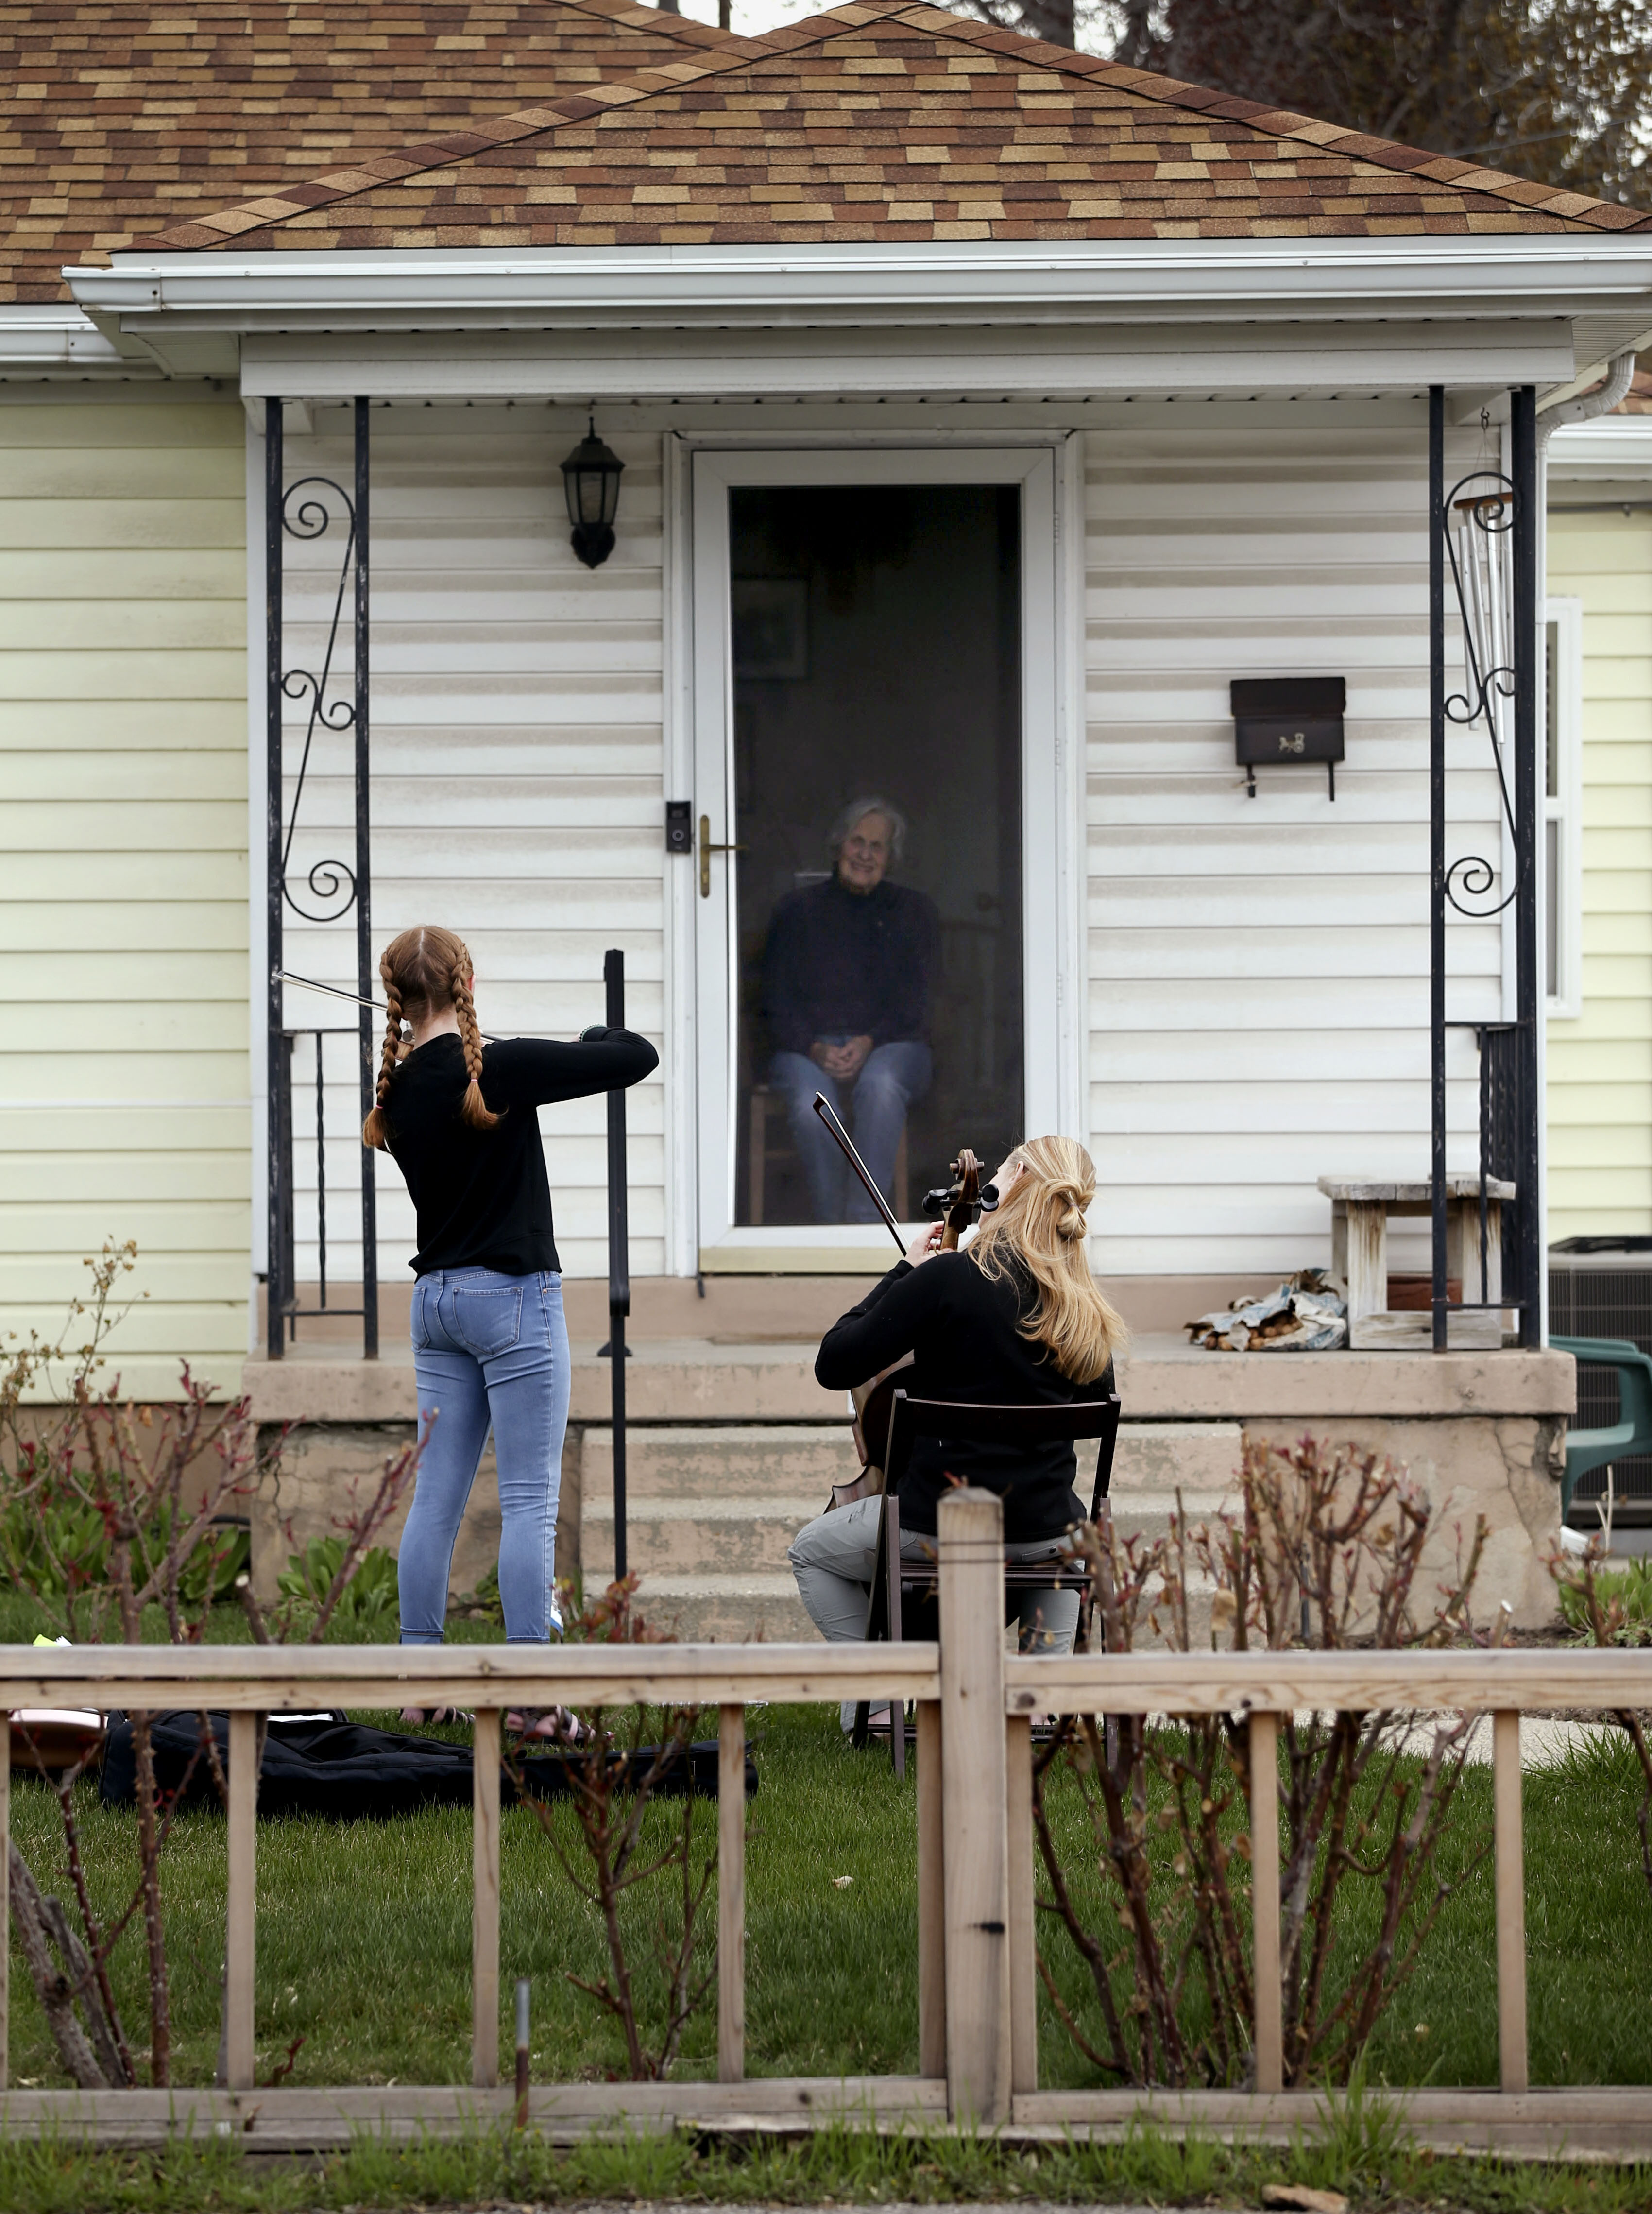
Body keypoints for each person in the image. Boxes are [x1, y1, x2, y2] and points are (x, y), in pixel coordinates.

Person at [362, 925, 656, 1735]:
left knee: (437, 1496)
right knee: (528, 1497)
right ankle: (530, 1693)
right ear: (466, 980)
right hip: (515, 1300)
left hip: (438, 1305)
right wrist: (600, 1036)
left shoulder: (395, 1093)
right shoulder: (495, 1067)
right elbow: (634, 1060)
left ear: (396, 995)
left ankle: (421, 1680)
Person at [787, 1135, 1122, 1720]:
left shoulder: (946, 1279)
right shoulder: (1081, 1302)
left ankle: (880, 1697)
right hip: (1049, 1536)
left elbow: (835, 1363)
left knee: (811, 1552)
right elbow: (1092, 1408)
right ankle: (1041, 1704)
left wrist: (905, 1271)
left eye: (1002, 1170)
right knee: (1063, 1541)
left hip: (937, 1528)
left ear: (1010, 1184)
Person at [760, 797, 939, 1224]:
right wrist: (814, 1047)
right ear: (838, 846)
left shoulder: (912, 913)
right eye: (857, 841)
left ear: (890, 857)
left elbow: (917, 1002)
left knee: (880, 1086)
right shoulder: (797, 911)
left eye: (877, 846)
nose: (864, 854)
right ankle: (831, 1227)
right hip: (807, 1048)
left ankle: (864, 1222)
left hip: (891, 1046)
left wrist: (868, 1039)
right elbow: (774, 999)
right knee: (811, 1104)